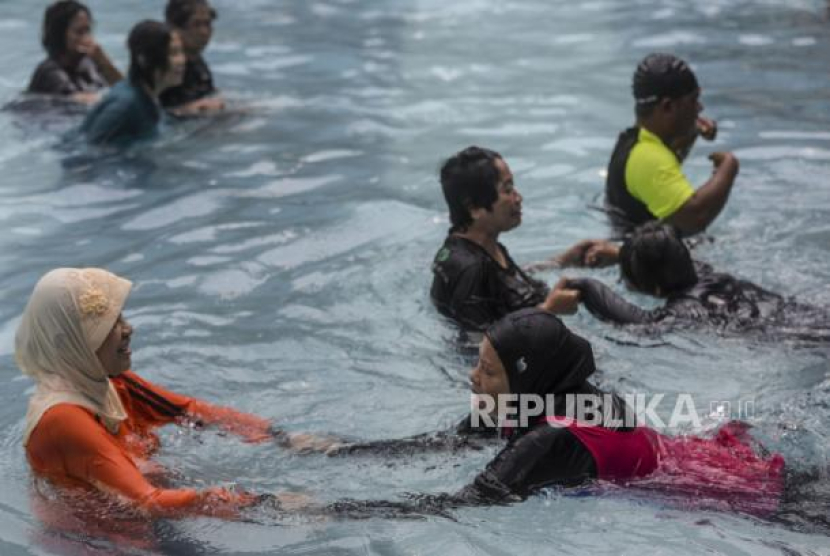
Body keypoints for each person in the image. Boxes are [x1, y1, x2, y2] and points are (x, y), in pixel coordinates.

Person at [340, 308, 786, 518]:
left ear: (524, 378)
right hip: (708, 456)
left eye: (488, 370)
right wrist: (329, 448)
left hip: (739, 494)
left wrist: (323, 511)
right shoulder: (539, 396)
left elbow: (457, 505)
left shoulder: (551, 439)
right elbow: (440, 444)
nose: (473, 378)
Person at [16, 268, 335, 522]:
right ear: (74, 340)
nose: (129, 329)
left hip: (141, 508)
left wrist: (281, 437)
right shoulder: (63, 419)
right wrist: (262, 503)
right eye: (110, 324)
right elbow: (147, 503)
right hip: (103, 537)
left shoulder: (108, 382)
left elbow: (189, 411)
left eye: (121, 317)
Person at [563, 223, 830, 341]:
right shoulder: (705, 273)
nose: (623, 281)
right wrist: (623, 254)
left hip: (806, 339)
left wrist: (583, 285)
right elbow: (667, 249)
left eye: (627, 276)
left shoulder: (682, 310)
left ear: (655, 290)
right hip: (805, 315)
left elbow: (638, 322)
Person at [431, 146, 581, 332]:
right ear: (474, 208)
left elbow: (504, 281)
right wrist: (548, 310)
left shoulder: (485, 248)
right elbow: (478, 347)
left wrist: (562, 261)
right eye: (507, 189)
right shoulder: (471, 269)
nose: (518, 198)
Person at [605, 53, 740, 235]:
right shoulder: (649, 158)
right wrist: (728, 168)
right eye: (693, 100)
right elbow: (695, 217)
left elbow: (668, 166)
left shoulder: (632, 141)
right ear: (667, 107)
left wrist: (692, 132)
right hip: (652, 261)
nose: (700, 108)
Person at [79, 20, 185, 145]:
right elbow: (89, 148)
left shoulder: (147, 97)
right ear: (144, 59)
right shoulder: (127, 105)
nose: (182, 61)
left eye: (181, 52)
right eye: (172, 53)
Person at [27, 1, 122, 104]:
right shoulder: (50, 71)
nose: (87, 38)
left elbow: (126, 90)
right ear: (59, 35)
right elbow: (81, 101)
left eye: (88, 30)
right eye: (79, 32)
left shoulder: (88, 64)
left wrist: (103, 60)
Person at [160, 0, 225, 115]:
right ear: (173, 27)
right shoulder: (165, 68)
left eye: (208, 24)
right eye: (196, 24)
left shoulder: (196, 60)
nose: (204, 32)